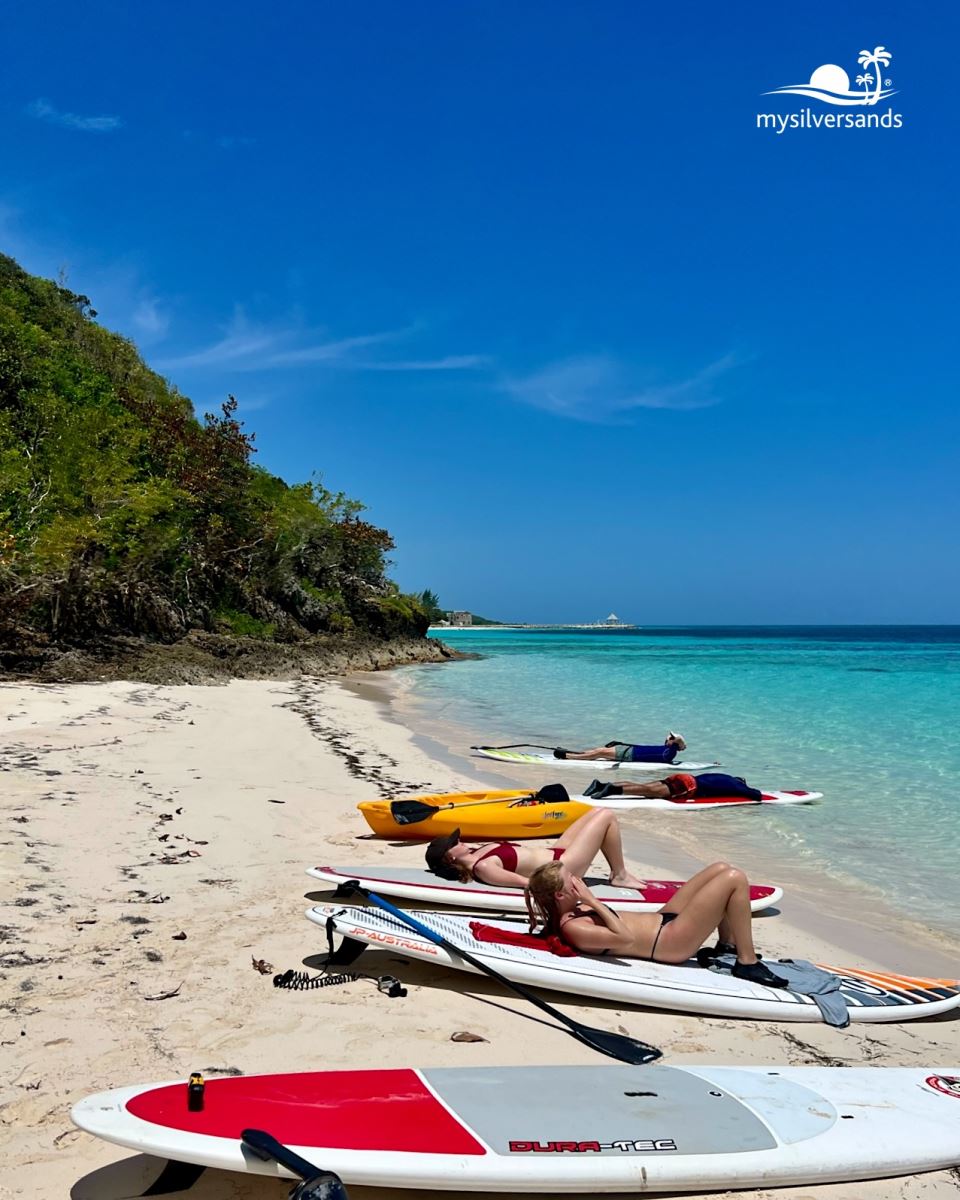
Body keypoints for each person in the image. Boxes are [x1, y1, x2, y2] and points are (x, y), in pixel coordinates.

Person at [525, 859, 789, 987]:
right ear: (560, 894)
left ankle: (727, 947)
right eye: (571, 878)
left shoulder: (576, 909)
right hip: (669, 943)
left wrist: (588, 902)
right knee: (734, 878)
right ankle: (747, 962)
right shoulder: (574, 927)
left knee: (721, 868)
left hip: (664, 919)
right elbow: (625, 938)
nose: (578, 880)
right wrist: (593, 901)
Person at [424, 807, 648, 891]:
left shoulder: (478, 853)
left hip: (558, 852)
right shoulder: (483, 868)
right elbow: (529, 884)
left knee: (595, 812)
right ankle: (619, 875)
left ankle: (619, 872)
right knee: (607, 816)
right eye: (455, 843)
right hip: (562, 867)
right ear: (451, 856)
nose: (461, 841)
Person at [583, 772, 762, 803]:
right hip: (689, 785)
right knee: (650, 792)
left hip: (684, 778)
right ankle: (613, 790)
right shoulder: (735, 785)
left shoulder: (725, 777)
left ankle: (604, 785)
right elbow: (756, 795)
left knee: (645, 787)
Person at [554, 731, 686, 764]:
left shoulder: (669, 753)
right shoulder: (665, 749)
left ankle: (567, 756)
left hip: (629, 755)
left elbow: (680, 741)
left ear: (673, 742)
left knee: (599, 752)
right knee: (598, 750)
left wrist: (678, 741)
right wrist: (621, 743)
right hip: (629, 750)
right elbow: (644, 749)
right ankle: (574, 753)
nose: (666, 738)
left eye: (669, 738)